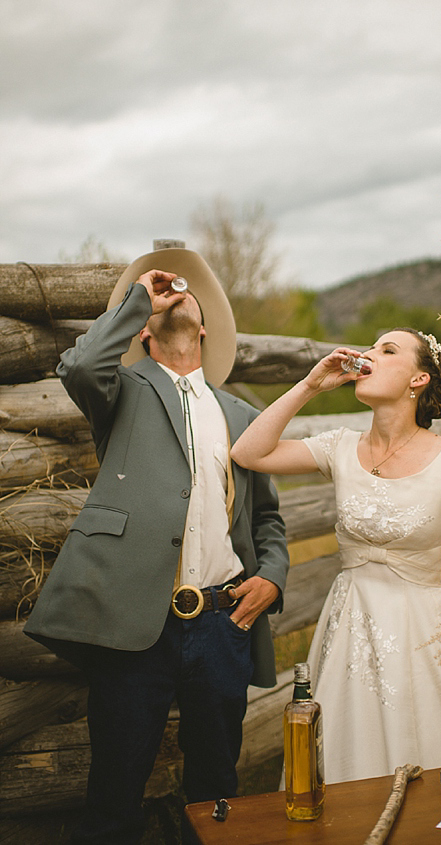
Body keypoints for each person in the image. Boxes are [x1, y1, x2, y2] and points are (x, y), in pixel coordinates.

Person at [24, 244, 288, 844]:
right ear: (143, 329)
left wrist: (272, 576)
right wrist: (139, 298)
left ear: (205, 324)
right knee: (115, 794)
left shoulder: (243, 414)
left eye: (186, 293)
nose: (178, 294)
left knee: (218, 791)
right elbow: (79, 366)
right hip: (135, 624)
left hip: (225, 625)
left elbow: (268, 520)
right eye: (164, 296)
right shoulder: (119, 390)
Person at [231, 328, 441, 784]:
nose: (368, 355)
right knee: (341, 766)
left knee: (438, 769)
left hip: (427, 635)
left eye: (387, 350)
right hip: (349, 630)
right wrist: (310, 384)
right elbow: (248, 452)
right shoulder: (338, 446)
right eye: (371, 347)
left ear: (418, 380)